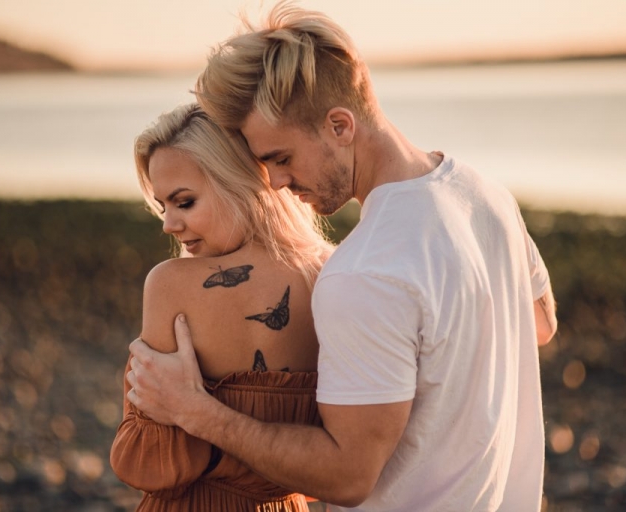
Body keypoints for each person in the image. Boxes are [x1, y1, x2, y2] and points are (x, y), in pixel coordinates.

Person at [126, 3, 558, 511]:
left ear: (339, 125)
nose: (276, 182)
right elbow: (540, 324)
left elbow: (348, 476)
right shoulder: (485, 195)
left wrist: (198, 413)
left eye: (282, 158)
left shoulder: (363, 272)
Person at [109, 103, 334, 511]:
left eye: (184, 202)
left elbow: (150, 462)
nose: (168, 225)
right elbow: (337, 457)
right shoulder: (331, 274)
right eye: (163, 206)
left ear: (239, 181)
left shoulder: (170, 283)